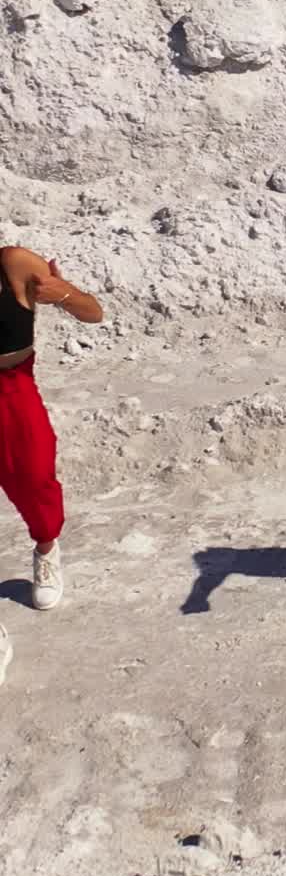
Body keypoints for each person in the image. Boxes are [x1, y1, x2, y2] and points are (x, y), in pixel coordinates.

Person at [1, 246, 104, 610]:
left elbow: (94, 313)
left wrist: (61, 293)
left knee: (33, 475)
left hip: (12, 387)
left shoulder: (13, 263)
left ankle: (46, 549)